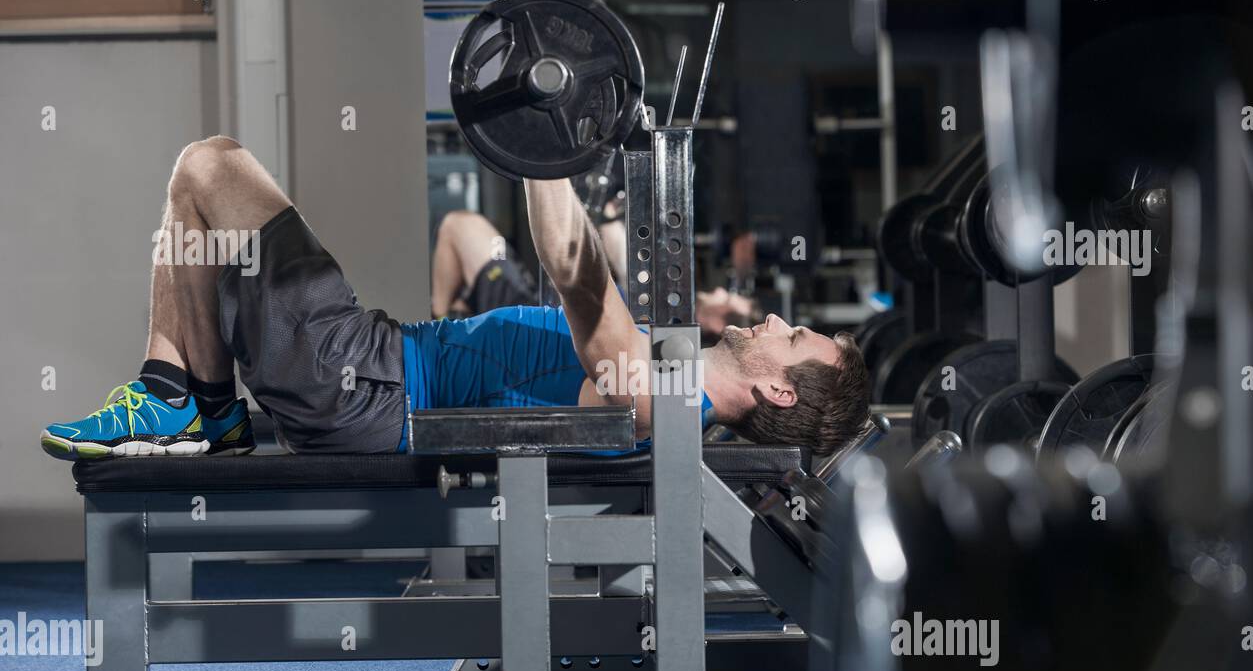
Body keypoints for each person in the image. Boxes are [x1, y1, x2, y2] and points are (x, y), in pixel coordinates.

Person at [40, 136, 870, 460]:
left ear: (777, 389)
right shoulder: (681, 391)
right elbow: (589, 298)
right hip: (374, 366)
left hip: (369, 386)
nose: (774, 319)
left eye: (794, 336)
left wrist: (546, 153)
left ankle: (179, 397)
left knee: (211, 167)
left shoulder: (677, 405)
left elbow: (592, 308)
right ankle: (193, 402)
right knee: (206, 205)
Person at [432, 208, 762, 339]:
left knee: (460, 226)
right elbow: (621, 250)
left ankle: (440, 321)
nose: (721, 291)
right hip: (542, 296)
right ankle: (453, 315)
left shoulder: (662, 335)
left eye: (728, 298)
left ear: (721, 323)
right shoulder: (666, 297)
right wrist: (611, 216)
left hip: (533, 323)